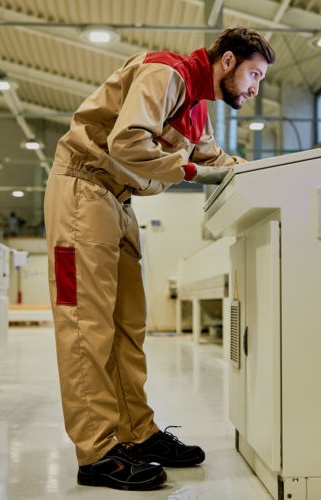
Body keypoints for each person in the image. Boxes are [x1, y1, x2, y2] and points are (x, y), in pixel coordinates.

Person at [43, 26, 275, 491]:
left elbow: (217, 159)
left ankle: (136, 433)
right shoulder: (164, 73)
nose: (254, 88)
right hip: (82, 192)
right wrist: (191, 171)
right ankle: (97, 452)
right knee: (86, 326)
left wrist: (276, 170)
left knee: (128, 325)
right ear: (226, 61)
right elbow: (126, 143)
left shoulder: (196, 110)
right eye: (253, 74)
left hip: (120, 203)